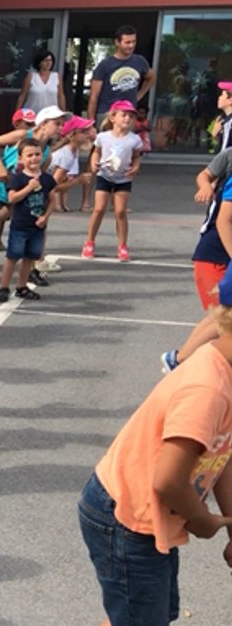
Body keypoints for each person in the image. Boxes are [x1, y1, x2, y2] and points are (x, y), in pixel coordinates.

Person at [40, 271, 232, 626]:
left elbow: (222, 456)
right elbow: (168, 480)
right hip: (127, 514)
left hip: (139, 511)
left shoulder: (224, 371)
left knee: (144, 612)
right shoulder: (208, 388)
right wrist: (205, 523)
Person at [160, 145, 232, 374]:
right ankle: (181, 362)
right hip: (215, 253)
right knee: (224, 318)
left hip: (223, 253)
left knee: (222, 317)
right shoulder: (229, 155)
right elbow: (223, 221)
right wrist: (204, 186)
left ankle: (179, 360)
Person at [0, 105, 66, 277]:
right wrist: (0, 166)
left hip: (20, 189)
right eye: (57, 124)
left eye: (62, 124)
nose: (60, 128)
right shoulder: (24, 135)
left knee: (9, 212)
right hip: (0, 182)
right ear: (43, 124)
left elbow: (41, 174)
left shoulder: (47, 152)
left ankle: (31, 265)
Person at [0, 139, 58, 303]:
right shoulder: (17, 179)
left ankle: (22, 286)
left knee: (30, 257)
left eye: (37, 154)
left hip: (38, 226)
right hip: (20, 225)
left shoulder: (47, 179)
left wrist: (46, 217)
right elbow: (12, 198)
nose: (34, 158)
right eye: (29, 155)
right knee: (12, 256)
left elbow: (52, 199)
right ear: (21, 159)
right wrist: (29, 188)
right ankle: (4, 286)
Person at [83, 100, 144, 262]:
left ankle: (122, 246)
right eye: (123, 115)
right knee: (99, 209)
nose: (127, 119)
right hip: (104, 175)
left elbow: (137, 157)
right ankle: (89, 242)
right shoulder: (103, 137)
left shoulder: (134, 140)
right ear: (113, 118)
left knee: (120, 212)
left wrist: (136, 167)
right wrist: (93, 163)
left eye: (130, 116)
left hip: (123, 178)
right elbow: (96, 153)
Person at [87, 25, 155, 125]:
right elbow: (93, 97)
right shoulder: (105, 65)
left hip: (129, 113)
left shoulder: (139, 61)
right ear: (117, 42)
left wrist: (139, 95)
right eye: (127, 42)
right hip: (107, 113)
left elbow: (151, 77)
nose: (131, 45)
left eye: (133, 42)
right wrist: (90, 123)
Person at [50, 115, 95, 214]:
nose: (88, 134)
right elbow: (52, 187)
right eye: (84, 132)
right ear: (71, 136)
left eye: (88, 131)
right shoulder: (66, 156)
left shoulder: (72, 152)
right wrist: (78, 180)